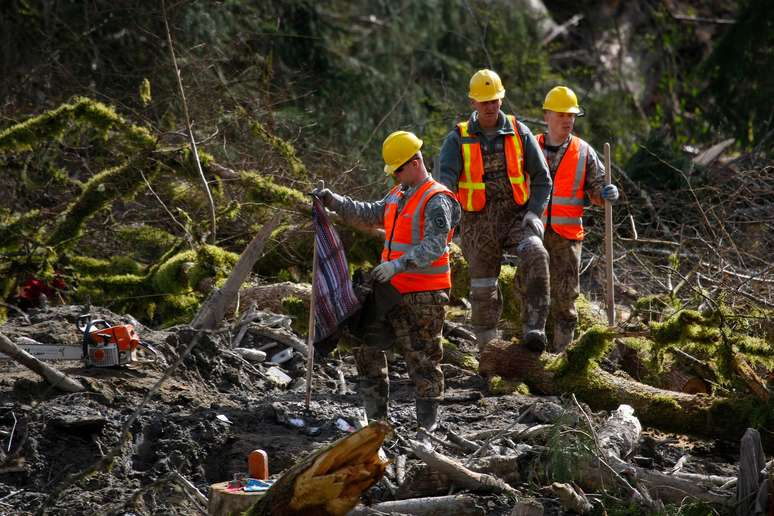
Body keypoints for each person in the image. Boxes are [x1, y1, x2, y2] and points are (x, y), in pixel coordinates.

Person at [313, 131, 461, 432]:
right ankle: (377, 423)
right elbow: (369, 213)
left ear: (415, 162)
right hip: (391, 290)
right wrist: (334, 200)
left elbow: (436, 245)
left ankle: (426, 430)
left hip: (425, 295)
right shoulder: (398, 194)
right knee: (365, 347)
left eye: (398, 170)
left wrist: (398, 264)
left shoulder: (437, 199)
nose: (395, 177)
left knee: (423, 359)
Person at [438, 69, 552, 352]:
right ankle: (489, 351)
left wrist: (534, 214)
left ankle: (534, 328)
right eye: (484, 102)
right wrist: (445, 224)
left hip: (516, 216)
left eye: (494, 101)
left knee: (537, 253)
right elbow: (444, 187)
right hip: (477, 223)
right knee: (483, 288)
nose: (490, 107)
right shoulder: (457, 138)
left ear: (501, 100)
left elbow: (542, 178)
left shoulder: (518, 131)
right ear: (473, 103)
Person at [538, 86, 620, 351]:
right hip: (534, 233)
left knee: (565, 298)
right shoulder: (529, 146)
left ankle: (562, 356)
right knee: (530, 293)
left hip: (566, 237)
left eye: (571, 115)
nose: (567, 120)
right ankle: (529, 353)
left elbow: (597, 188)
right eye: (561, 114)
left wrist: (605, 192)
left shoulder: (584, 151)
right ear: (547, 115)